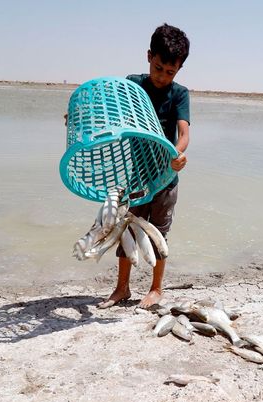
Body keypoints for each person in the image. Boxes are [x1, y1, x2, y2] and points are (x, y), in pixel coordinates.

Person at [98, 23, 190, 309]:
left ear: (179, 70)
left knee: (158, 235)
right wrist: (82, 119)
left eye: (170, 72)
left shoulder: (180, 94)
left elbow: (184, 133)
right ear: (149, 56)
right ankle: (122, 288)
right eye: (159, 67)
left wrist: (178, 155)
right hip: (137, 178)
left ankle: (156, 289)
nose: (162, 76)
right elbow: (110, 114)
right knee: (126, 231)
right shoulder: (133, 85)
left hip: (165, 180)